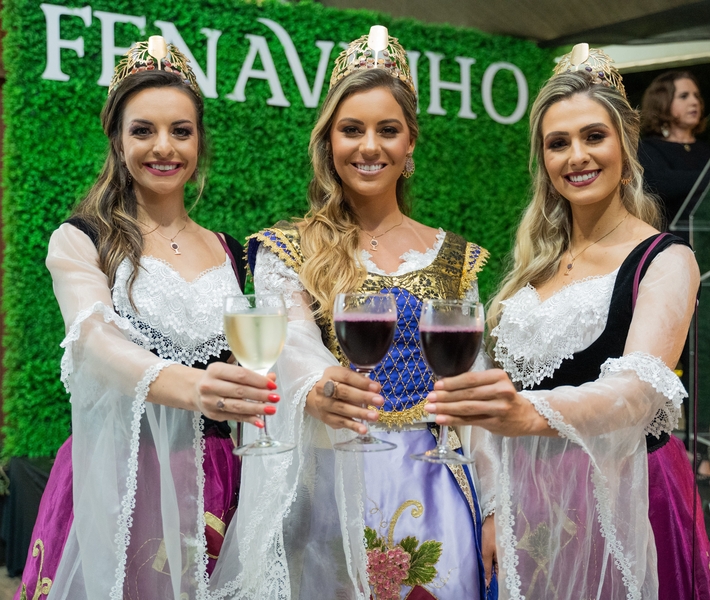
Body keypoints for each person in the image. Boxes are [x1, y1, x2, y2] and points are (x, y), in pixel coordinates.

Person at [209, 26, 497, 600]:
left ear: (410, 143)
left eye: (387, 130)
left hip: (438, 487)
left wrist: (494, 510)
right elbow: (290, 344)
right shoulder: (288, 250)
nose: (369, 146)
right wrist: (320, 386)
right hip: (330, 486)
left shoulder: (454, 258)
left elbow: (475, 390)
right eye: (351, 129)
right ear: (328, 142)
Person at [424, 45, 710, 599]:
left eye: (593, 136)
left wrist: (528, 412)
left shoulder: (667, 260)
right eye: (558, 143)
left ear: (625, 144)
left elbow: (635, 392)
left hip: (626, 496)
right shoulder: (535, 266)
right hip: (531, 503)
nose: (577, 156)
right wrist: (494, 507)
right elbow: (493, 389)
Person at [15, 37, 278, 600]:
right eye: (143, 130)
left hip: (220, 477)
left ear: (199, 140)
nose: (164, 147)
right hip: (122, 473)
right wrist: (196, 387)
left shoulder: (230, 251)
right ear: (117, 139)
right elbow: (93, 342)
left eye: (181, 131)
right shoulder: (81, 240)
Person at [639, 71, 710, 228]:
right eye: (684, 96)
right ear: (662, 102)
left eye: (696, 96)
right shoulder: (648, 148)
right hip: (670, 237)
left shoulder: (706, 150)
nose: (694, 102)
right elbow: (661, 184)